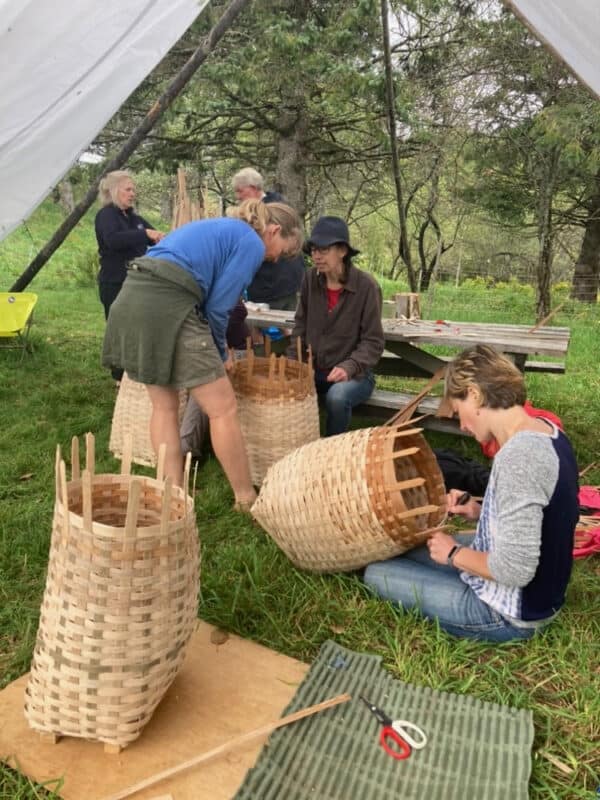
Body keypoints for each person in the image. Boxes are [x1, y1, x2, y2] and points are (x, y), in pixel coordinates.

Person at [363, 345, 579, 642]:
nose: (462, 425)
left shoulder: (518, 458)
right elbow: (540, 518)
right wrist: (479, 511)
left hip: (511, 611)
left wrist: (453, 553)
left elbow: (516, 570)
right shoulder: (548, 432)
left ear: (475, 395)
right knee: (408, 547)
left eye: (458, 410)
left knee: (376, 572)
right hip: (541, 592)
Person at [102, 199, 302, 506]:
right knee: (222, 407)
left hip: (132, 296)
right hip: (168, 301)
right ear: (274, 231)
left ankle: (172, 495)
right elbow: (219, 307)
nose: (278, 260)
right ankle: (246, 497)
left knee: (164, 406)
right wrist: (221, 352)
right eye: (285, 252)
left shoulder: (220, 228)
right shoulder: (250, 240)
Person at [289, 216, 385, 436]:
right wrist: (294, 363)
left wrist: (348, 367)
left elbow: (373, 342)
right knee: (285, 386)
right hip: (314, 369)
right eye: (313, 249)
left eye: (323, 249)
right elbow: (300, 325)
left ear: (342, 251)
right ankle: (297, 449)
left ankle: (330, 450)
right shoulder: (309, 279)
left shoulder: (367, 287)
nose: (316, 255)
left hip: (354, 375)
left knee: (337, 397)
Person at [95, 170, 164, 383]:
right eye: (128, 189)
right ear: (114, 191)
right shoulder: (106, 215)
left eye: (133, 189)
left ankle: (134, 371)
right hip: (115, 280)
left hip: (137, 280)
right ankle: (118, 376)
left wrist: (161, 238)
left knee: (137, 325)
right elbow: (113, 240)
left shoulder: (134, 217)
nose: (132, 193)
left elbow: (154, 236)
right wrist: (144, 235)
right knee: (119, 327)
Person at [232, 168, 305, 311]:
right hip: (267, 286)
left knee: (281, 327)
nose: (237, 196)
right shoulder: (277, 205)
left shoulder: (273, 210)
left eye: (240, 191)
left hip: (277, 285)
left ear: (253, 188)